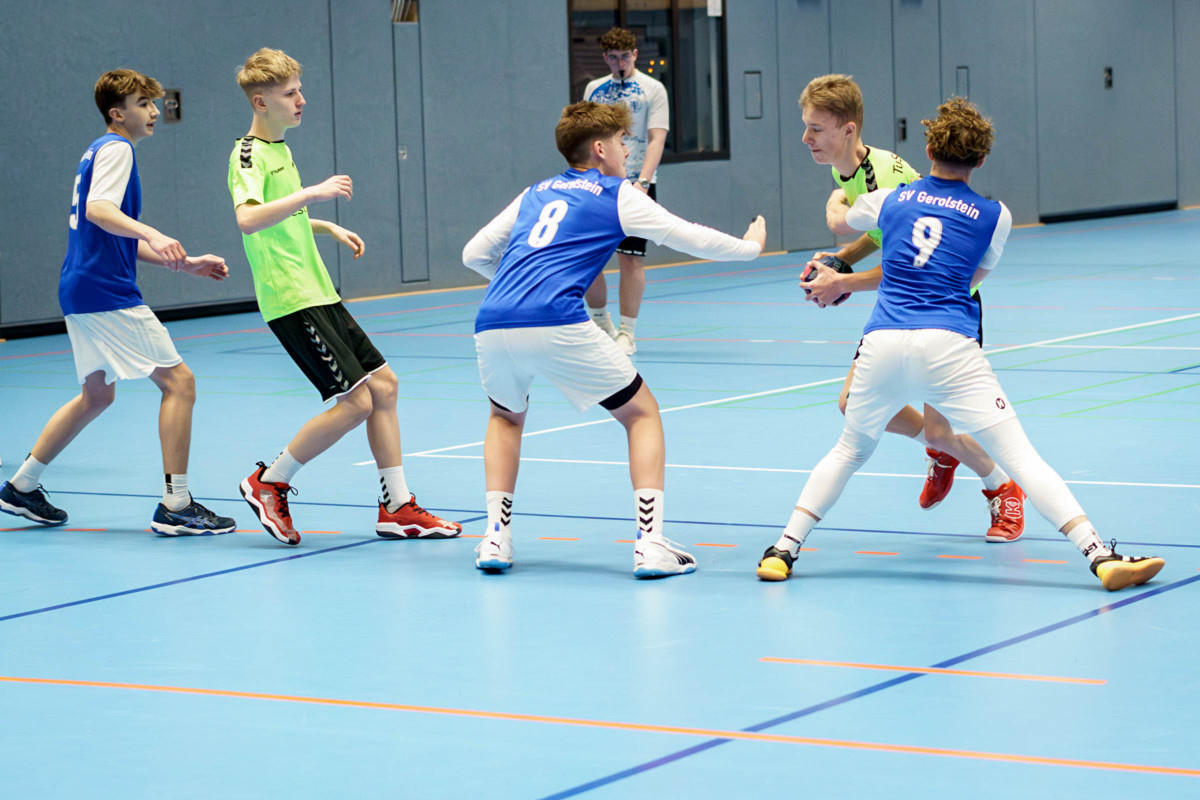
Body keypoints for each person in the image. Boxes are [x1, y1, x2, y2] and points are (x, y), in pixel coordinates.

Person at [756, 98, 1163, 591]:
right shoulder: (996, 216)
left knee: (848, 450)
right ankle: (1099, 556)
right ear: (982, 160)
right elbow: (970, 280)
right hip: (949, 344)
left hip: (884, 339)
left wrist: (838, 202)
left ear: (928, 150)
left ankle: (783, 550)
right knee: (1022, 457)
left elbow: (843, 223)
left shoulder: (889, 199)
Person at [462, 101, 764, 576]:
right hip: (557, 321)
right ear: (600, 149)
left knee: (504, 418)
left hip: (493, 320)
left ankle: (495, 540)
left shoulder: (534, 192)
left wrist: (521, 284)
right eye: (623, 142)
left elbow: (473, 254)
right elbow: (687, 236)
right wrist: (751, 247)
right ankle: (650, 544)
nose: (628, 150)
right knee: (641, 413)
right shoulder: (616, 193)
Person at [229, 48, 461, 546]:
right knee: (356, 404)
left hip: (318, 290)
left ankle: (396, 506)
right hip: (291, 297)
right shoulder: (248, 153)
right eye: (290, 94)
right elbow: (248, 218)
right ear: (260, 101)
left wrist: (323, 226)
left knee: (385, 386)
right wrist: (312, 194)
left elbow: (280, 215)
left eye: (300, 90)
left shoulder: (281, 150)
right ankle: (270, 481)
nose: (301, 100)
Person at [0, 70, 236, 536]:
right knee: (180, 383)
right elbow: (100, 211)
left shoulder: (99, 151)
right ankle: (177, 504)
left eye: (154, 102)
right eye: (143, 103)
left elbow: (112, 232)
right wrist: (154, 232)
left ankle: (21, 487)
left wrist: (183, 264)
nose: (153, 111)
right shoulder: (117, 149)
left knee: (97, 395)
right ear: (117, 113)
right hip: (104, 290)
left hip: (80, 287)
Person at [796, 75, 1025, 543]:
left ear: (848, 130)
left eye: (816, 129)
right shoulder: (844, 169)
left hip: (944, 306)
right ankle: (945, 452)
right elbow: (882, 237)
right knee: (854, 405)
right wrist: (842, 260)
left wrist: (843, 281)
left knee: (939, 431)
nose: (806, 138)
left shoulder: (886, 176)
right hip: (900, 312)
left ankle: (1003, 485)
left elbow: (908, 268)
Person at [580, 27, 670, 356]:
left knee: (630, 259)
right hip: (598, 184)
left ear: (635, 55)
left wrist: (643, 182)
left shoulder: (652, 89)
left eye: (625, 57)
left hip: (635, 184)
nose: (620, 63)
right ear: (605, 58)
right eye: (613, 58)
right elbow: (586, 137)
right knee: (589, 257)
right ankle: (601, 324)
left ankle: (627, 333)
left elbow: (657, 138)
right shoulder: (594, 89)